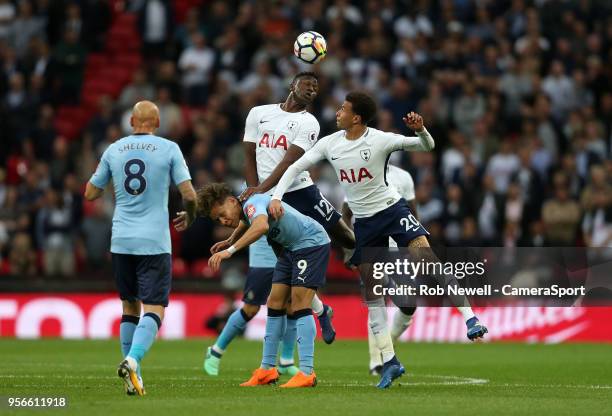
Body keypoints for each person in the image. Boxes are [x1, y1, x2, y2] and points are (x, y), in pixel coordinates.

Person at [269, 91, 488, 388]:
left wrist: (420, 129)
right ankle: (389, 361)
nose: (337, 112)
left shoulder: (380, 140)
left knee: (426, 258)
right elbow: (295, 167)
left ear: (356, 117)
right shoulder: (330, 144)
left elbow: (427, 145)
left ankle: (470, 318)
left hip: (392, 210)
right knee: (372, 296)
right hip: (366, 225)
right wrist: (278, 195)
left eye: (343, 109)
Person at [201, 71, 355, 377]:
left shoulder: (309, 122)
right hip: (264, 196)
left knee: (342, 235)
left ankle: (362, 261)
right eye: (306, 85)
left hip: (298, 190)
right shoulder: (259, 114)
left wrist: (261, 192)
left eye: (316, 88)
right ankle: (281, 358)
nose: (312, 90)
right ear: (291, 85)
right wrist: (253, 192)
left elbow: (290, 164)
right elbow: (248, 154)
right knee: (278, 296)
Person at [85, 101, 197, 396]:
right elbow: (189, 194)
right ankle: (133, 360)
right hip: (154, 241)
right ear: (157, 123)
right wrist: (192, 214)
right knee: (155, 307)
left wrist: (112, 184)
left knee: (129, 305)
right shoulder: (169, 148)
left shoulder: (114, 149)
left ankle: (132, 378)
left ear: (131, 120)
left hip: (121, 239)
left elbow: (90, 192)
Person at [183, 183, 330, 388]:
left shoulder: (252, 202)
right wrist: (231, 238)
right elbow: (248, 221)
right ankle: (267, 370)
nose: (223, 220)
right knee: (274, 302)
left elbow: (261, 226)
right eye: (218, 219)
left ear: (232, 201)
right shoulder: (245, 207)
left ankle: (307, 372)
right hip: (290, 248)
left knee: (299, 303)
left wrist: (230, 250)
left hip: (310, 243)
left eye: (222, 214)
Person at [342, 164, 418, 376]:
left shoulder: (404, 176)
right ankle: (377, 361)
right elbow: (345, 214)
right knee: (376, 301)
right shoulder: (358, 174)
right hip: (371, 248)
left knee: (409, 302)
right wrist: (350, 248)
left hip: (398, 252)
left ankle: (389, 341)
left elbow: (413, 215)